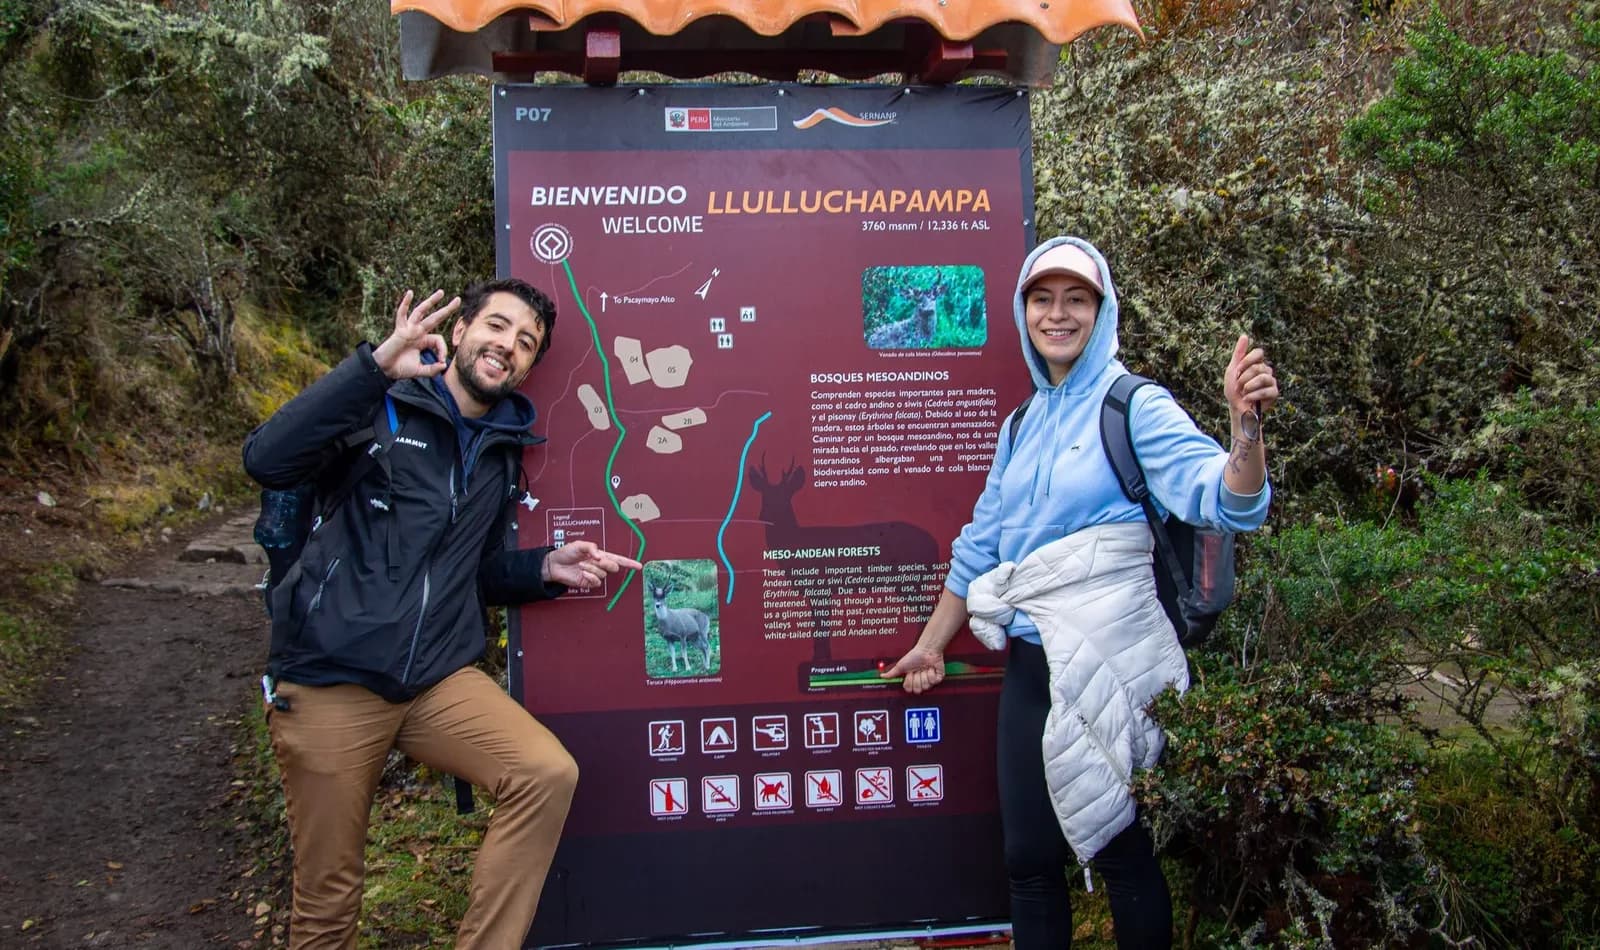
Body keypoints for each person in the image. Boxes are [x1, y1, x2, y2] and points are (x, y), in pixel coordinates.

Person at [883, 237, 1279, 948]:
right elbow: (981, 544)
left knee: (1121, 854)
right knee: (1030, 861)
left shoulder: (1133, 405)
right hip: (1031, 669)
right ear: (1022, 310)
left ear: (1102, 310)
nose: (1057, 314)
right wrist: (928, 644)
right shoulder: (1022, 424)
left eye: (1076, 299)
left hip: (1110, 663)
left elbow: (1230, 501)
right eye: (1042, 298)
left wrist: (1245, 427)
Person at [243, 279, 641, 950]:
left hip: (435, 681)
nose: (507, 347)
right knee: (329, 900)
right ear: (460, 333)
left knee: (545, 773)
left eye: (526, 343)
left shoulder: (499, 451)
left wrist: (544, 568)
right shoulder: (381, 407)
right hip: (331, 678)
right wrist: (372, 368)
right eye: (498, 327)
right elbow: (267, 459)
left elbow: (471, 571)